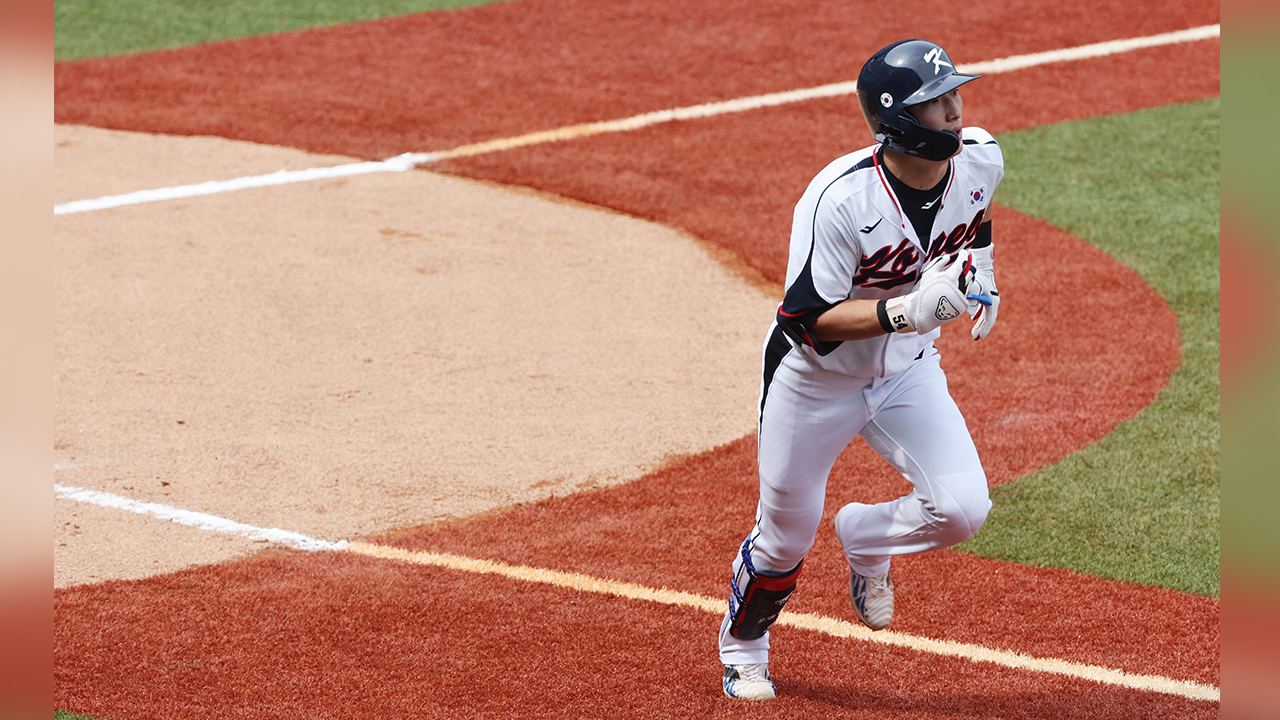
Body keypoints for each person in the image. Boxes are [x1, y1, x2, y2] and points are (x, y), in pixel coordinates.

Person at [719, 38, 1004, 701]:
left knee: (963, 509)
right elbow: (807, 318)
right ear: (898, 120)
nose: (956, 112)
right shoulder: (839, 201)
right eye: (937, 104)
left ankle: (867, 537)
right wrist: (907, 312)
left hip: (907, 371)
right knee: (785, 537)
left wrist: (983, 271)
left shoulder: (980, 157)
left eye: (955, 96)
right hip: (815, 381)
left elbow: (976, 208)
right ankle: (744, 650)